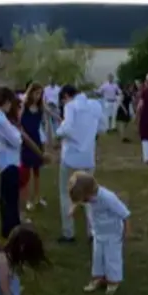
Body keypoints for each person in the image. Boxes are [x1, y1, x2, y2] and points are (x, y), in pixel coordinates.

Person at [0, 87, 45, 239]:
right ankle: (11, 229)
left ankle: (9, 228)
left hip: (6, 161)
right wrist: (17, 133)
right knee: (10, 201)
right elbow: (17, 140)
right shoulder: (0, 119)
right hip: (8, 163)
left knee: (7, 199)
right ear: (6, 101)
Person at [68, 171, 130, 294]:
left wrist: (126, 232)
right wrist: (74, 208)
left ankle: (113, 281)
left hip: (112, 233)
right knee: (98, 257)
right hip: (98, 232)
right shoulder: (89, 198)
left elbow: (125, 214)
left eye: (84, 199)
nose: (84, 201)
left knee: (112, 257)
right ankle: (98, 278)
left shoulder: (108, 198)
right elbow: (80, 202)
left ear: (89, 192)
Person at [56, 84, 102, 243]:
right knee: (89, 194)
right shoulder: (95, 105)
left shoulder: (70, 106)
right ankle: (92, 232)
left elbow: (67, 128)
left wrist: (58, 132)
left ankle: (68, 232)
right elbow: (102, 127)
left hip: (71, 157)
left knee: (66, 194)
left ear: (66, 96)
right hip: (88, 157)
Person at [19, 83, 47, 212]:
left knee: (37, 171)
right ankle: (27, 200)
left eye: (40, 93)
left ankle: (37, 197)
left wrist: (60, 118)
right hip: (25, 141)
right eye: (36, 93)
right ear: (30, 93)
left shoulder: (40, 107)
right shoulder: (24, 106)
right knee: (26, 173)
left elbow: (49, 114)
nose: (38, 96)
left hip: (37, 139)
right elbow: (18, 122)